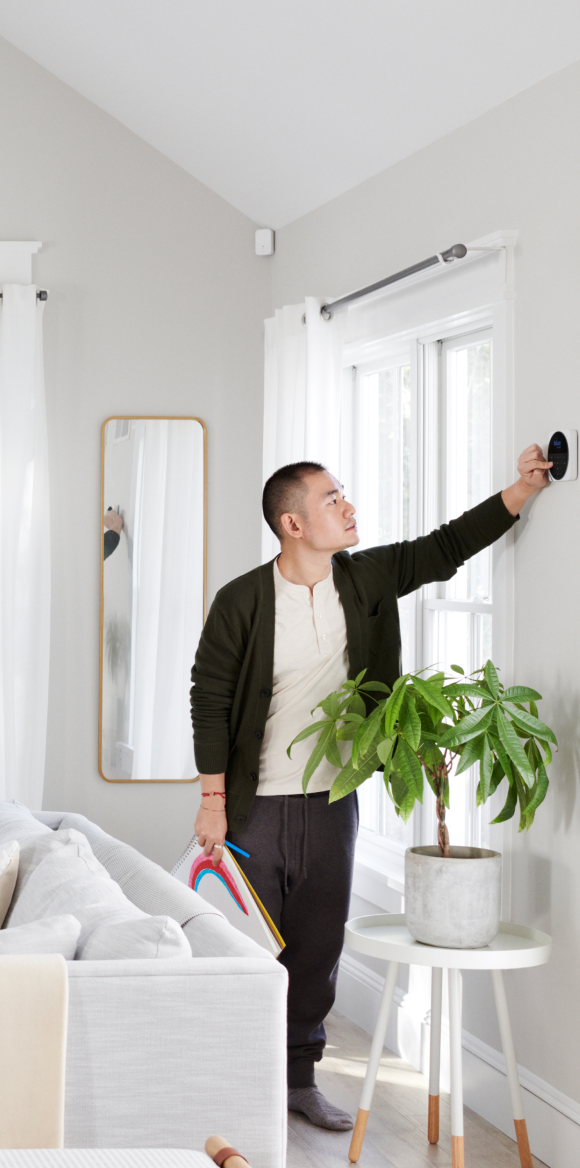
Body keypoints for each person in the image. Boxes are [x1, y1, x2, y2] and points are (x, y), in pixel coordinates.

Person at [189, 444, 551, 1131]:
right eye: (332, 500)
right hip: (252, 803)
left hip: (332, 797)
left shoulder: (366, 577)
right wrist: (211, 801)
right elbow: (208, 698)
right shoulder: (242, 600)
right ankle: (237, 1079)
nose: (348, 507)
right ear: (292, 525)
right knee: (247, 948)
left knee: (318, 947)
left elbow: (445, 547)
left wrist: (522, 491)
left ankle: (298, 1080)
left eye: (343, 494)